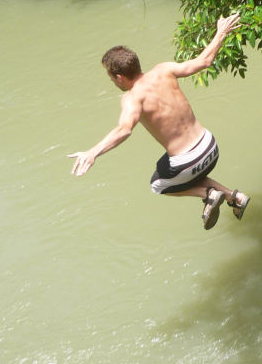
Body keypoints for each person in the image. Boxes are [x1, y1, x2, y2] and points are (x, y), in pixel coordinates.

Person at [69, 14, 250, 229]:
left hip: (189, 162)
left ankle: (209, 194)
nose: (111, 80)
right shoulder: (165, 69)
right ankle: (235, 198)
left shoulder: (132, 98)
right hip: (210, 147)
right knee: (181, 172)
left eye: (110, 76)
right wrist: (221, 32)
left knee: (158, 184)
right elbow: (205, 61)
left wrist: (93, 152)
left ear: (119, 77)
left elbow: (125, 129)